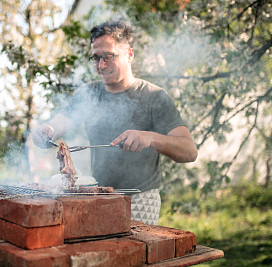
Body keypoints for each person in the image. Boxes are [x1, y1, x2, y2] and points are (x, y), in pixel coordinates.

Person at [32, 19, 197, 225]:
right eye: (96, 58)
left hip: (139, 198)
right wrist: (48, 129)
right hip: (97, 195)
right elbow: (63, 120)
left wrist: (150, 138)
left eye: (108, 57)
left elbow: (189, 151)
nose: (101, 65)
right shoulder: (89, 93)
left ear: (129, 55)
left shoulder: (155, 96)